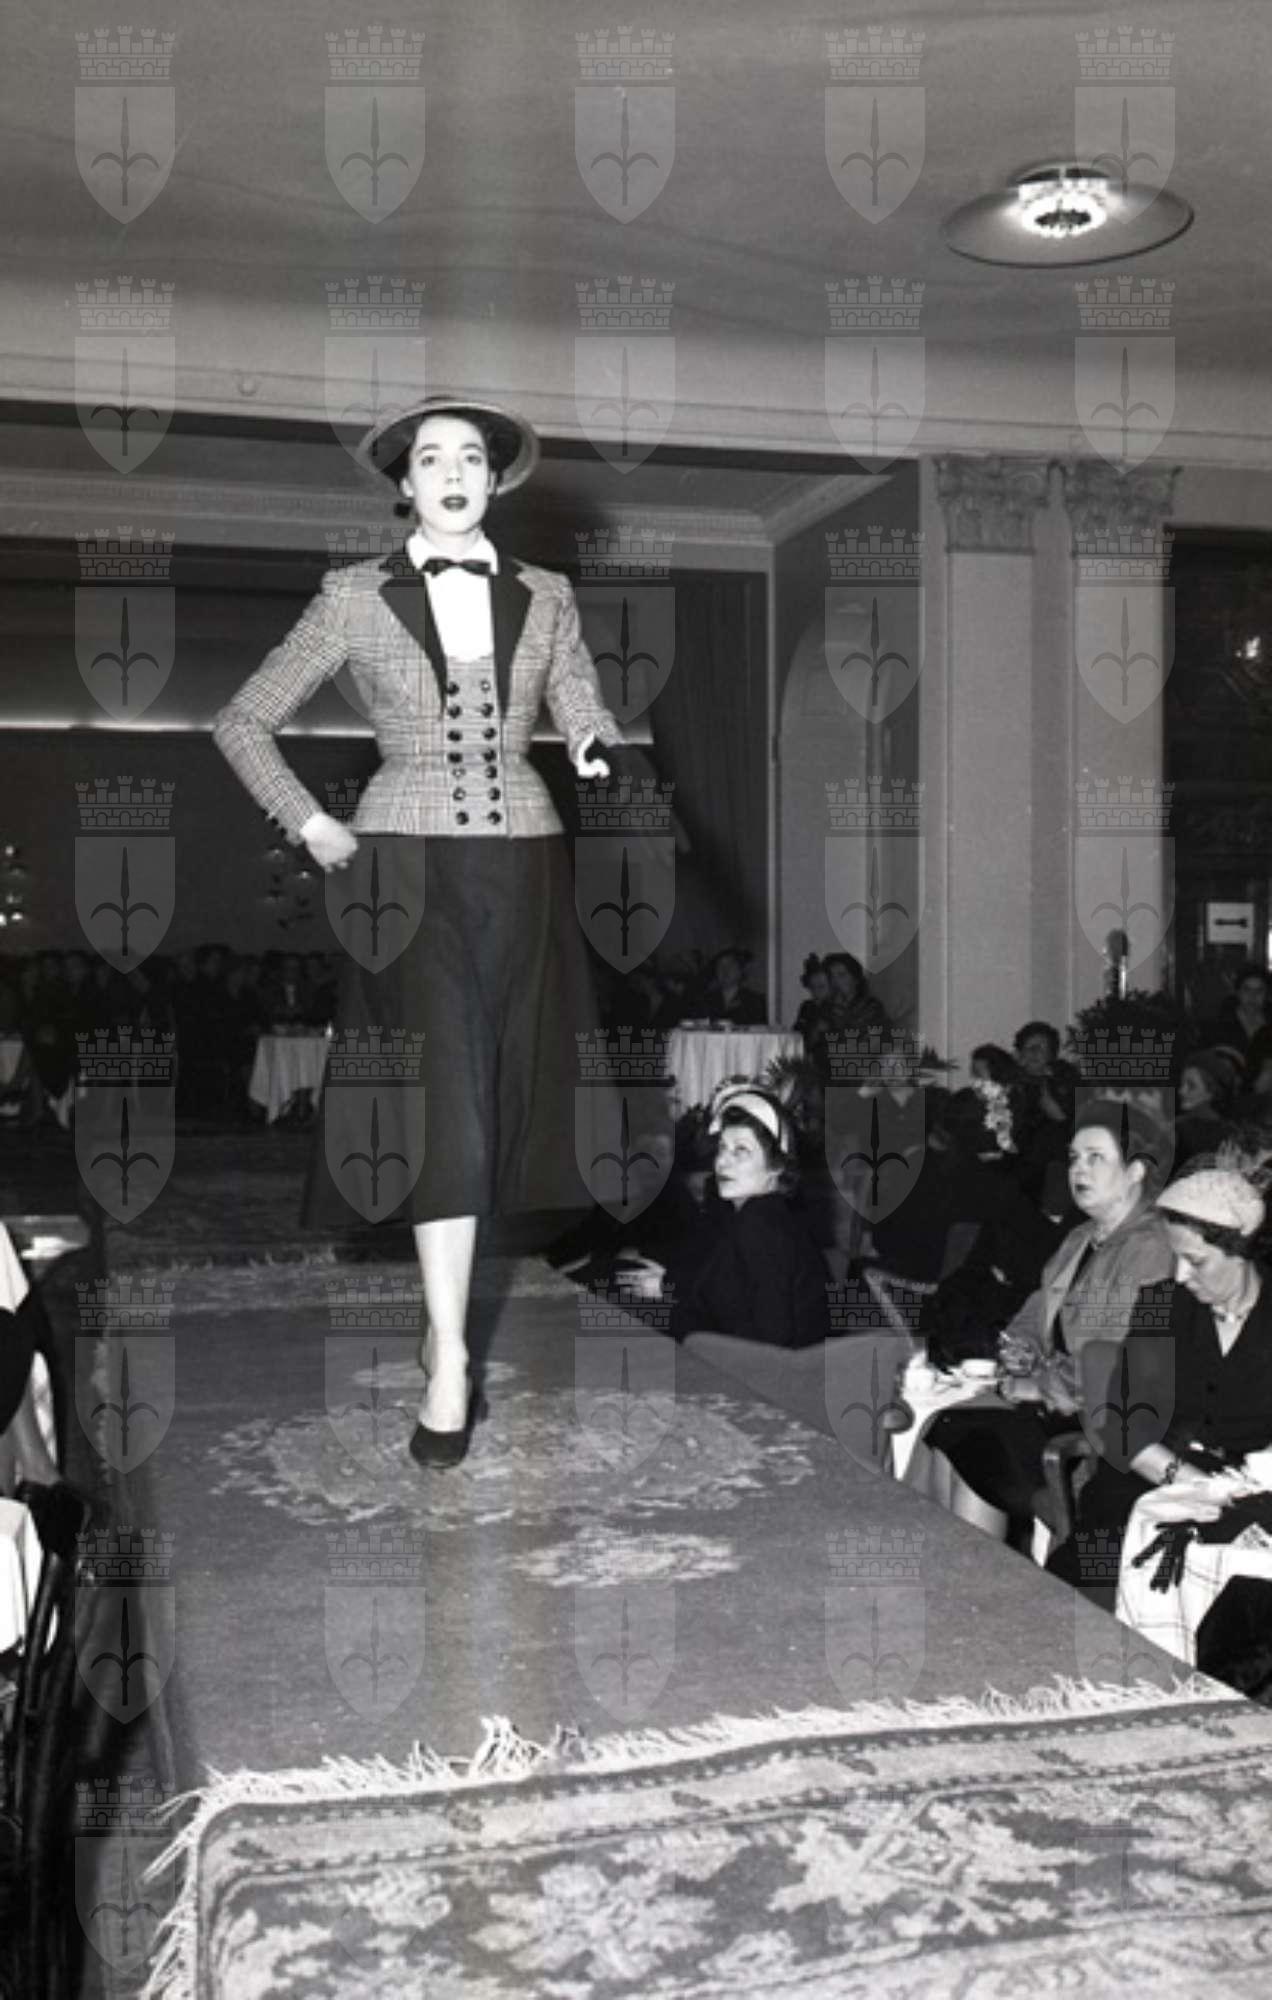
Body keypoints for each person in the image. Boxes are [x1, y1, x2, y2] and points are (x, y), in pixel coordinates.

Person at [213, 395, 624, 1465]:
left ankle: (446, 1338)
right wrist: (307, 821)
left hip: (526, 860)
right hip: (401, 869)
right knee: (447, 1110)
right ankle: (449, 1353)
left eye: (471, 457)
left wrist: (591, 741)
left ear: (495, 479)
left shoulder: (548, 592)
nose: (451, 472)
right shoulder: (352, 595)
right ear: (404, 483)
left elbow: (578, 697)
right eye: (431, 458)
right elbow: (242, 720)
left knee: (506, 1100)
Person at [920, 1099, 1175, 1546]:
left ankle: (971, 1574)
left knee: (970, 1441)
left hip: (1098, 1426)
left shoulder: (1149, 1248)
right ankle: (951, 1568)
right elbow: (1038, 1307)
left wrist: (1036, 1384)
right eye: (1074, 1158)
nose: (1078, 1170)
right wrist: (1019, 1345)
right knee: (945, 1428)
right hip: (1051, 1404)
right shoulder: (1081, 1237)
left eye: (1096, 1158)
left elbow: (1114, 1361)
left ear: (1136, 1171)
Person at [614, 1083, 831, 1347]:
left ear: (777, 1166)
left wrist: (669, 1295)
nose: (722, 1162)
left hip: (769, 1367)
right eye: (722, 1148)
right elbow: (726, 1286)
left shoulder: (761, 1223)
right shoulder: (761, 1213)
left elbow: (770, 1341)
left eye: (741, 1151)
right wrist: (669, 1283)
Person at [697, 947, 766, 1026]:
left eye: (730, 965)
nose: (725, 970)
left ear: (740, 970)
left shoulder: (754, 1001)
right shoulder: (705, 1000)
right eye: (720, 966)